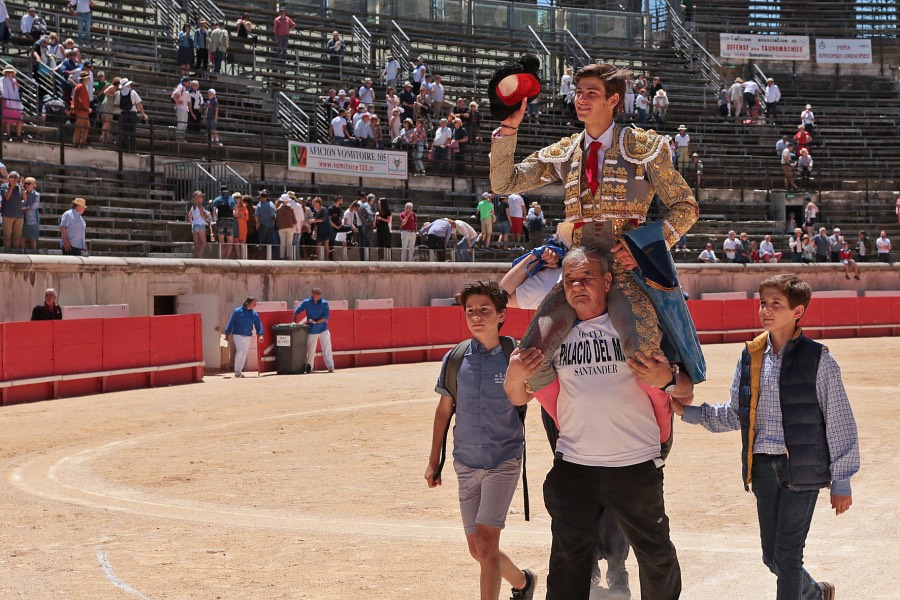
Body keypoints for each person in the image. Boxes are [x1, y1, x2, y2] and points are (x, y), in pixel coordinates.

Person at [490, 62, 701, 395]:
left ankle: (671, 408)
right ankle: (564, 422)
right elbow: (505, 183)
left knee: (644, 358)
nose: (581, 99)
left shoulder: (643, 147)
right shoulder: (566, 152)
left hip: (626, 270)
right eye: (578, 92)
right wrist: (508, 129)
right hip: (579, 270)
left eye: (591, 93)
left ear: (613, 100)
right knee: (528, 360)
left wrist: (644, 249)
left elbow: (686, 207)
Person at [505, 247, 692, 600]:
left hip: (635, 464)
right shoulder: (553, 337)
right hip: (575, 466)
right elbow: (517, 396)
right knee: (567, 562)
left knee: (655, 556)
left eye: (587, 277)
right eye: (570, 279)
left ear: (607, 281)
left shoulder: (640, 327)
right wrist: (514, 376)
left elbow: (687, 391)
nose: (577, 286)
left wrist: (666, 377)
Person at [671, 273, 859, 600]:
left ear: (797, 311)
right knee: (771, 556)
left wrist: (841, 480)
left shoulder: (819, 359)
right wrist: (689, 412)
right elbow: (735, 413)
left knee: (787, 556)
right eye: (763, 303)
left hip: (801, 469)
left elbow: (839, 419)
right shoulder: (751, 355)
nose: (766, 310)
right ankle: (814, 594)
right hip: (761, 467)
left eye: (776, 304)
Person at [425, 281, 536, 600]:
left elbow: (530, 396)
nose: (476, 316)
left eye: (484, 310)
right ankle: (523, 582)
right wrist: (435, 460)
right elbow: (444, 410)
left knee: (487, 545)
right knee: (478, 549)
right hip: (466, 461)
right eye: (470, 310)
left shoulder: (516, 355)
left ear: (502, 314)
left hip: (504, 459)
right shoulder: (456, 357)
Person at [293, 288, 334, 373]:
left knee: (327, 348)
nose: (319, 295)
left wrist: (316, 322)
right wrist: (294, 322)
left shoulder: (324, 303)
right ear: (312, 294)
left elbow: (326, 317)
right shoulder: (306, 302)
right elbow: (296, 311)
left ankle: (330, 367)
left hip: (323, 329)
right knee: (311, 350)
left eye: (320, 293)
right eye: (317, 293)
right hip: (312, 329)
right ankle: (309, 368)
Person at [224, 297, 264, 378]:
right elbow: (231, 322)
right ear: (248, 303)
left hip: (248, 335)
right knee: (240, 350)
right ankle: (237, 371)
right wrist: (227, 334)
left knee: (244, 353)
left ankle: (239, 371)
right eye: (254, 304)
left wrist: (261, 335)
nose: (255, 306)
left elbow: (258, 325)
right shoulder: (237, 311)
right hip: (237, 334)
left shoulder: (254, 314)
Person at [114, 78, 149, 152]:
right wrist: (143, 114)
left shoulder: (118, 93)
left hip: (123, 114)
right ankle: (132, 149)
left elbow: (116, 105)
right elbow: (139, 104)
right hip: (132, 114)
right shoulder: (132, 92)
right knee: (132, 132)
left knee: (125, 132)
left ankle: (126, 149)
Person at [1, 171, 25, 249]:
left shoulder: (19, 187)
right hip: (8, 215)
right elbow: (7, 197)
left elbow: (24, 198)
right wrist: (11, 186)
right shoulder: (4, 186)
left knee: (16, 238)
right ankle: (7, 255)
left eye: (16, 177)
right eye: (12, 177)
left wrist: (22, 187)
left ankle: (15, 255)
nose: (14, 179)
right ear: (8, 178)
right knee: (7, 237)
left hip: (19, 216)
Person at [1, 65, 24, 141]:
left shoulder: (14, 81)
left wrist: (17, 86)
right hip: (6, 101)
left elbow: (18, 91)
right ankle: (8, 135)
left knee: (19, 119)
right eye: (8, 72)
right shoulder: (2, 80)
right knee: (7, 119)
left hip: (15, 102)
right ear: (6, 73)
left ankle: (19, 136)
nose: (10, 73)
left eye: (11, 72)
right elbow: (2, 90)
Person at [188, 191, 211, 258]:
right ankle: (199, 258)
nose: (202, 198)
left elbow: (189, 217)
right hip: (200, 225)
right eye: (201, 197)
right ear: (198, 198)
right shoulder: (200, 205)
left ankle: (195, 257)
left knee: (196, 244)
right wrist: (207, 219)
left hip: (194, 226)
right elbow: (202, 214)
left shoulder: (193, 207)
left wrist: (193, 223)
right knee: (203, 243)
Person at [275, 194, 297, 260]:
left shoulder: (278, 209)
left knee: (282, 243)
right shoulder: (290, 208)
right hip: (289, 227)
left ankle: (282, 256)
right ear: (286, 201)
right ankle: (289, 256)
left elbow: (277, 220)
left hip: (281, 228)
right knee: (289, 242)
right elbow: (294, 220)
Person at [21, 176, 40, 250]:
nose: (27, 185)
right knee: (22, 237)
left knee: (33, 238)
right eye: (25, 183)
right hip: (22, 218)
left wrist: (25, 208)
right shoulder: (22, 193)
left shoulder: (36, 194)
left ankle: (33, 253)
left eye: (29, 184)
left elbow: (34, 206)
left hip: (33, 219)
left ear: (33, 185)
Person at [171, 76, 191, 142]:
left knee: (184, 124)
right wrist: (177, 102)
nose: (189, 83)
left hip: (184, 108)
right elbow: (174, 95)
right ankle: (178, 139)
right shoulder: (181, 87)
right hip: (181, 108)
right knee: (181, 124)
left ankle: (181, 138)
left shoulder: (184, 88)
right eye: (188, 82)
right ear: (185, 82)